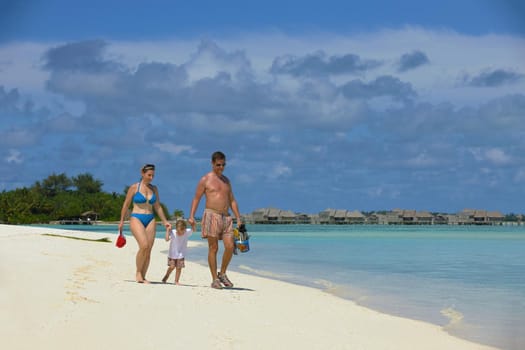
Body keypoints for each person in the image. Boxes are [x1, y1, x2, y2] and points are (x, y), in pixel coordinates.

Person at [188, 151, 242, 289]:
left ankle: (222, 273)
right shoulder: (205, 179)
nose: (221, 167)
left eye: (223, 165)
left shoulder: (226, 181)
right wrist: (192, 216)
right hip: (211, 215)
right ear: (212, 163)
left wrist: (238, 218)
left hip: (226, 217)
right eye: (218, 165)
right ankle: (214, 279)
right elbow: (196, 198)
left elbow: (232, 200)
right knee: (213, 248)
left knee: (230, 246)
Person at [119, 164, 172, 283]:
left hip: (151, 218)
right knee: (144, 246)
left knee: (149, 249)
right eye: (149, 175)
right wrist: (122, 221)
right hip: (136, 217)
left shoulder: (154, 189)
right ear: (142, 173)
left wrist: (165, 222)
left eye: (153, 175)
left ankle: (143, 275)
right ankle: (138, 272)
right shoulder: (134, 187)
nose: (151, 178)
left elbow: (157, 206)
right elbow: (126, 204)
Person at [162, 220, 195, 285]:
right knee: (172, 267)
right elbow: (166, 239)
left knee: (179, 268)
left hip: (181, 254)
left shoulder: (186, 232)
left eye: (182, 232)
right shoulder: (173, 232)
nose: (180, 233)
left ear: (185, 229)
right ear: (176, 229)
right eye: (179, 231)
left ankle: (176, 281)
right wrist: (168, 230)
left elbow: (193, 230)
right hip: (172, 254)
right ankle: (167, 275)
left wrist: (193, 224)